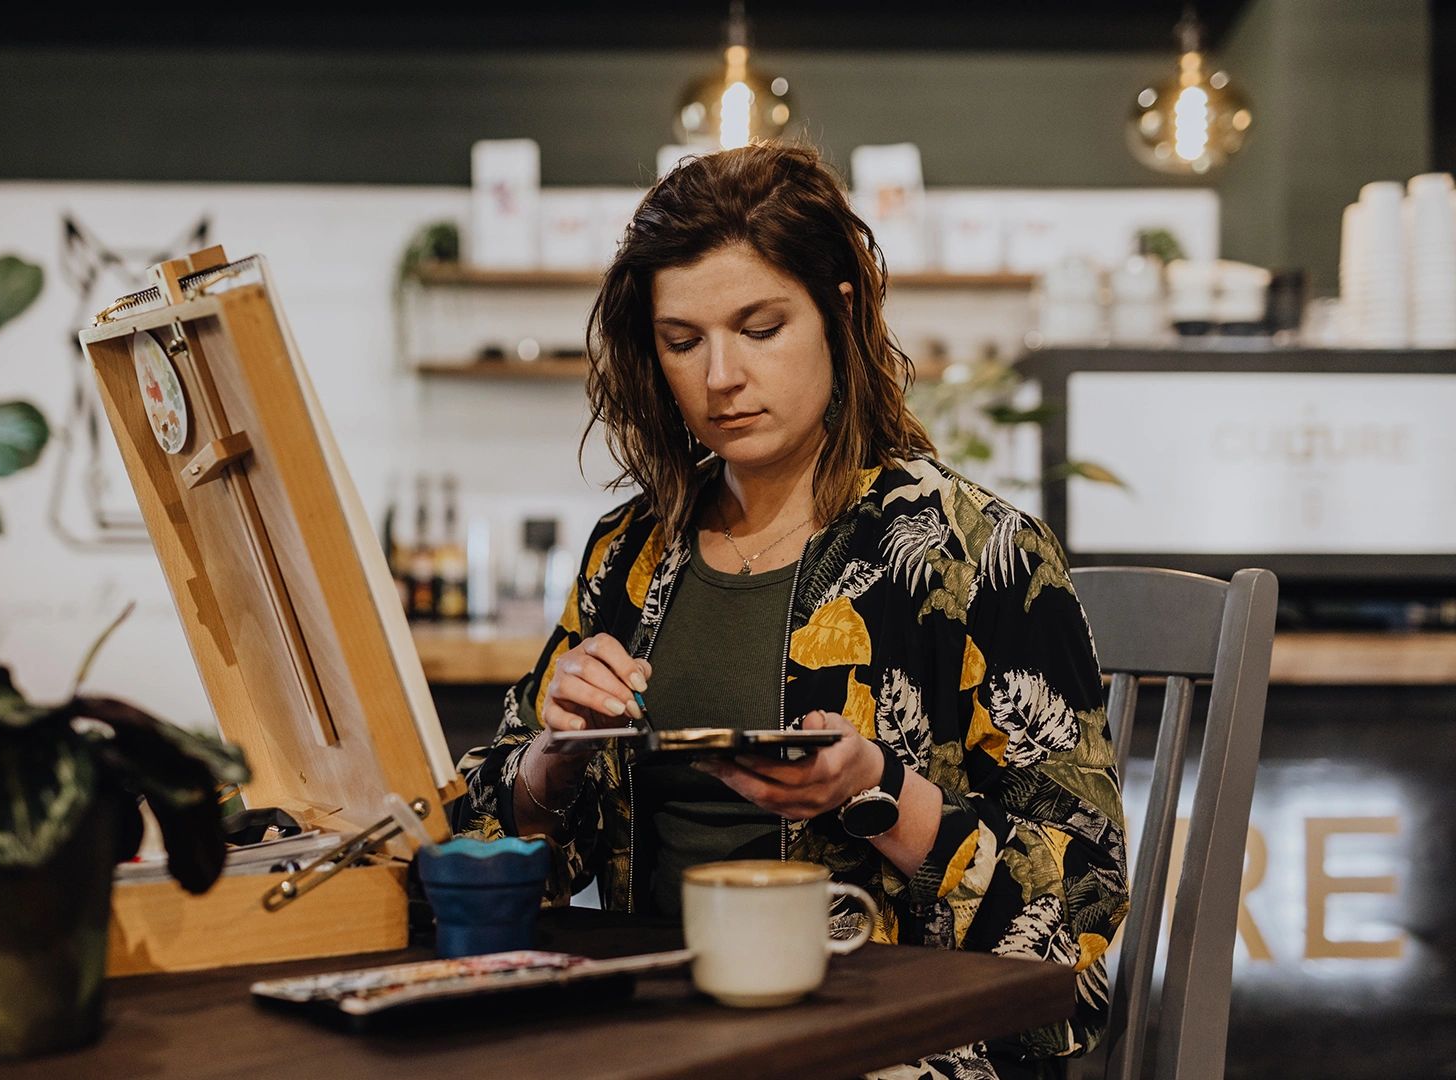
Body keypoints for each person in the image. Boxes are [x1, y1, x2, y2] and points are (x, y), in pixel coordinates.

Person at [454, 142, 1128, 1080]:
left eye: (760, 328)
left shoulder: (980, 553)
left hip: (887, 1047)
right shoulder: (631, 555)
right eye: (682, 342)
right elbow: (474, 852)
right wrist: (545, 764)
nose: (719, 376)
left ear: (838, 313)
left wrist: (878, 795)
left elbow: (1081, 928)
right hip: (646, 1038)